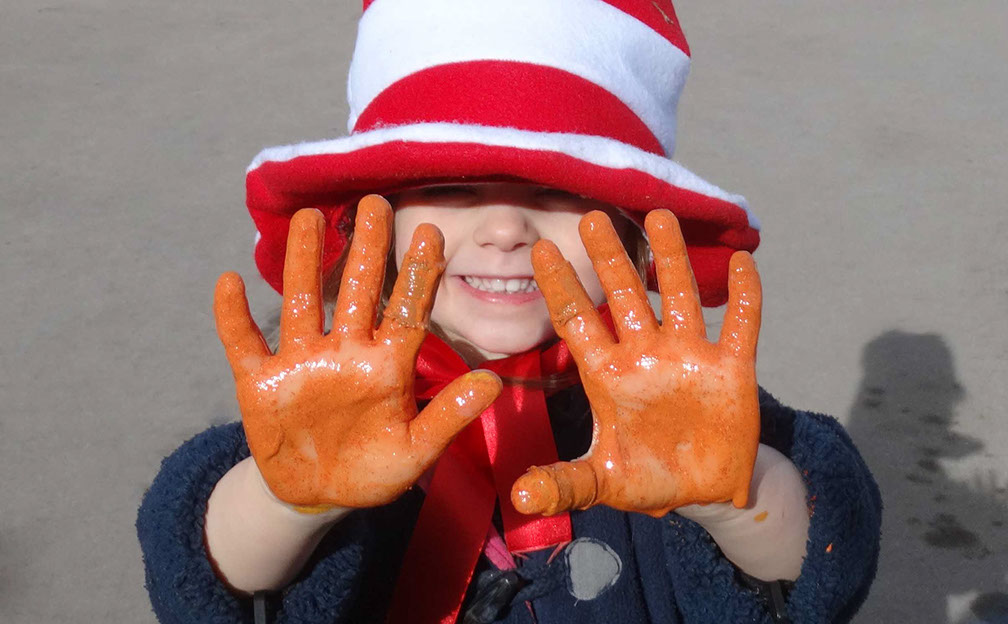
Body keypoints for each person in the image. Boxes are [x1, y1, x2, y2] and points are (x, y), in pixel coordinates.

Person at [137, 1, 881, 623]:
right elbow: (196, 566)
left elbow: (826, 557)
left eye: (557, 191)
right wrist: (286, 502)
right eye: (455, 186)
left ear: (632, 224)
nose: (504, 230)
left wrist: (735, 495)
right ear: (378, 215)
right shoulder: (319, 401)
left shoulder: (678, 400)